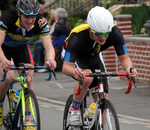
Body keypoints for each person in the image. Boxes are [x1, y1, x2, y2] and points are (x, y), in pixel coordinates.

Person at [62, 6, 137, 126]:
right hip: (75, 57)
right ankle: (75, 109)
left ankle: (99, 125)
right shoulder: (77, 37)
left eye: (106, 34)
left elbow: (124, 58)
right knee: (87, 78)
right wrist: (75, 72)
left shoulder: (115, 33)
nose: (103, 38)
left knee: (104, 98)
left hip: (94, 56)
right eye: (99, 34)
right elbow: (66, 67)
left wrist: (129, 68)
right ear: (90, 30)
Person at [0, 0, 56, 128]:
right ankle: (0, 104)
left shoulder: (41, 22)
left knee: (29, 80)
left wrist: (51, 60)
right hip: (4, 49)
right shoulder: (8, 18)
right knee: (8, 77)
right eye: (27, 16)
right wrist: (4, 61)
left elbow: (49, 48)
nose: (30, 20)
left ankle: (28, 117)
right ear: (19, 13)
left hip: (22, 49)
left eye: (33, 16)